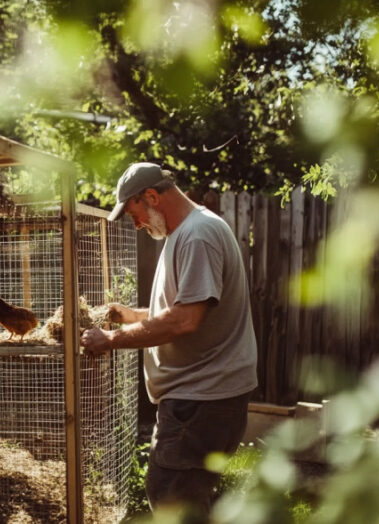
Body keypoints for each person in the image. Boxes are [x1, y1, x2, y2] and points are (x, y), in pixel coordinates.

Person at [80, 162, 257, 520]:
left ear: (152, 197)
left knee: (170, 495)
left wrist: (111, 339)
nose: (137, 225)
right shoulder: (186, 232)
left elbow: (184, 320)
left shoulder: (197, 235)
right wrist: (130, 315)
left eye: (135, 214)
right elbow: (185, 309)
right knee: (183, 497)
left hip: (201, 399)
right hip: (204, 397)